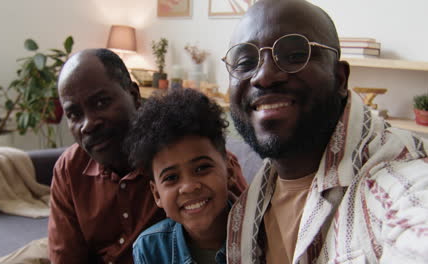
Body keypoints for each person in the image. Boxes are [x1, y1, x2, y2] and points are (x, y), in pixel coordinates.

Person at [223, 1, 428, 263]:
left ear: (340, 78)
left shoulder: (398, 175)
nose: (263, 76)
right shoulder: (248, 203)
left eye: (295, 56)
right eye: (245, 62)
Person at [49, 49, 247, 263]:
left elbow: (251, 230)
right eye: (74, 114)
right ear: (156, 192)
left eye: (101, 102)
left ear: (133, 95)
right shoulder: (70, 170)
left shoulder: (203, 164)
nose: (88, 124)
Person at [128, 88, 241, 264]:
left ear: (230, 172)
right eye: (171, 178)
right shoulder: (149, 249)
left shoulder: (262, 232)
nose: (188, 186)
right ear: (157, 194)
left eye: (202, 168)